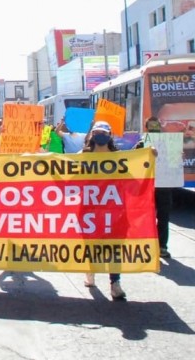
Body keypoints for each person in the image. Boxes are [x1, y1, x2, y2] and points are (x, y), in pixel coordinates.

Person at [81, 121, 126, 300]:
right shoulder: (83, 156)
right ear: (92, 135)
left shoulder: (119, 156)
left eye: (103, 132)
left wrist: (150, 154)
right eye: (96, 132)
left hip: (113, 209)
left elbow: (134, 176)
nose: (100, 135)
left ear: (109, 135)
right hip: (89, 209)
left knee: (115, 247)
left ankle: (115, 283)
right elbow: (68, 174)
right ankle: (90, 273)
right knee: (91, 245)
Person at [144, 116, 173, 259]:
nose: (154, 129)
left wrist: (179, 156)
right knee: (147, 216)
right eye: (152, 126)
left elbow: (174, 162)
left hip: (163, 184)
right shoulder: (142, 143)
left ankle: (162, 246)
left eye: (156, 126)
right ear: (147, 128)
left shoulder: (170, 143)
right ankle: (148, 245)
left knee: (163, 216)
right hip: (147, 185)